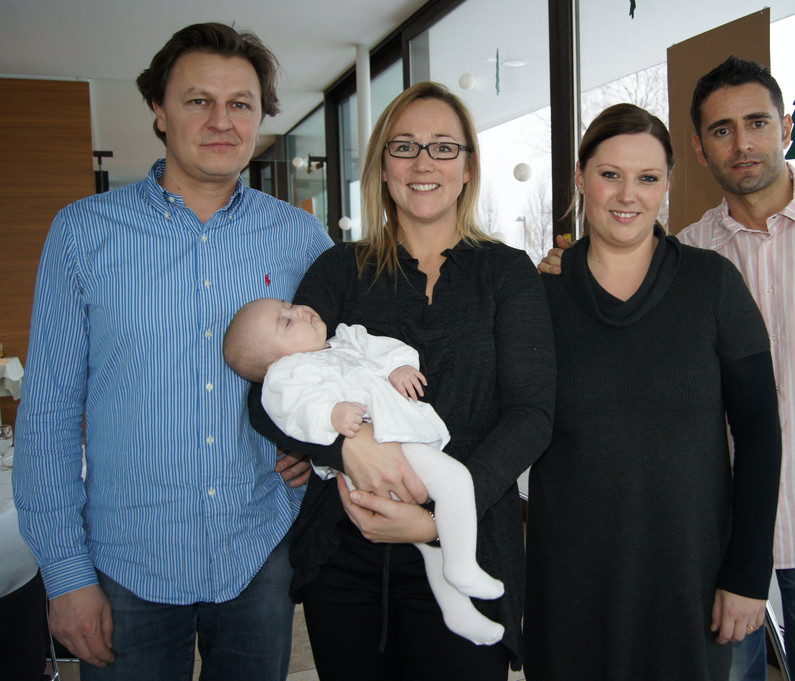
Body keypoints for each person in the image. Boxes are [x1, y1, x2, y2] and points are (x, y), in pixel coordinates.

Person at [540, 57, 795, 681]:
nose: (742, 143)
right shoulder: (692, 251)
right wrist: (563, 271)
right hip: (713, 534)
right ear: (700, 149)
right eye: (722, 130)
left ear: (785, 129)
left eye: (757, 123)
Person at [13, 23, 332, 680]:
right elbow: (47, 412)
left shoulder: (301, 238)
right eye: (198, 101)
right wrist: (66, 575)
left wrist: (316, 443)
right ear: (159, 110)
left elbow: (338, 366)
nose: (222, 121)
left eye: (240, 103)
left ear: (259, 116)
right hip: (123, 563)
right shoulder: (82, 233)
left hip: (259, 549)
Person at [246, 81, 555, 681]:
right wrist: (345, 447)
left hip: (468, 546)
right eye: (404, 146)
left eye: (444, 147)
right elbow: (270, 389)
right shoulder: (340, 269)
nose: (423, 163)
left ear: (468, 167)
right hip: (345, 557)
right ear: (383, 167)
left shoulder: (506, 272)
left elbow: (532, 415)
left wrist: (438, 518)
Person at [524, 103, 783, 680]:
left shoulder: (712, 284)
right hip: (568, 581)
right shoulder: (541, 297)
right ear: (580, 178)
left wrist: (747, 574)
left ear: (667, 182)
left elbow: (760, 434)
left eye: (647, 177)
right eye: (609, 174)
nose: (627, 195)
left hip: (687, 579)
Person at [223, 297, 506, 645]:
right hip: (384, 448)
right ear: (273, 361)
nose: (298, 311)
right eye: (285, 322)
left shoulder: (345, 339)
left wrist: (399, 367)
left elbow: (386, 349)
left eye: (288, 305)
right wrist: (331, 416)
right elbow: (291, 411)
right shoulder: (288, 374)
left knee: (429, 546)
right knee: (457, 480)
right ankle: (463, 564)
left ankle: (459, 612)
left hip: (399, 441)